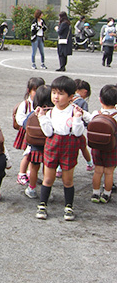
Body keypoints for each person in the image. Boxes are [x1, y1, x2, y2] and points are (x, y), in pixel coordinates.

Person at [35, 76, 84, 221]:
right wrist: (42, 118)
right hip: (52, 144)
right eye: (54, 92)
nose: (56, 97)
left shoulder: (74, 111)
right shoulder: (50, 111)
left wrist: (77, 118)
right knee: (48, 178)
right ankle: (42, 204)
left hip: (69, 145)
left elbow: (78, 133)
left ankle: (69, 206)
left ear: (71, 97)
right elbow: (48, 133)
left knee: (67, 180)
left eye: (61, 94)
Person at [82, 85, 117, 203]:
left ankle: (95, 193)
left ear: (100, 99)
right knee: (109, 172)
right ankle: (106, 194)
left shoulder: (96, 113)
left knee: (98, 171)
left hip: (97, 147)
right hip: (112, 148)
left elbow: (87, 118)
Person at [23, 85, 53, 199]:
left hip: (35, 146)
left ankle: (32, 188)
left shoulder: (33, 113)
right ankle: (47, 190)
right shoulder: (52, 114)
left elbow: (25, 125)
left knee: (34, 168)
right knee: (48, 169)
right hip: (49, 147)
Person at [14, 77, 45, 186]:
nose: (37, 93)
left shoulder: (43, 103)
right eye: (35, 90)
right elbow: (19, 118)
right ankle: (21, 174)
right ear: (29, 91)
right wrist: (28, 124)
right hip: (29, 132)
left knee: (34, 155)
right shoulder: (25, 104)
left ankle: (30, 173)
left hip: (38, 133)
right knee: (28, 153)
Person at [73, 79, 94, 172]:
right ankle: (89, 163)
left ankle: (59, 169)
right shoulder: (82, 102)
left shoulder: (67, 98)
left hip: (67, 129)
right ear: (85, 91)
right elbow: (85, 119)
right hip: (78, 129)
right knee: (83, 147)